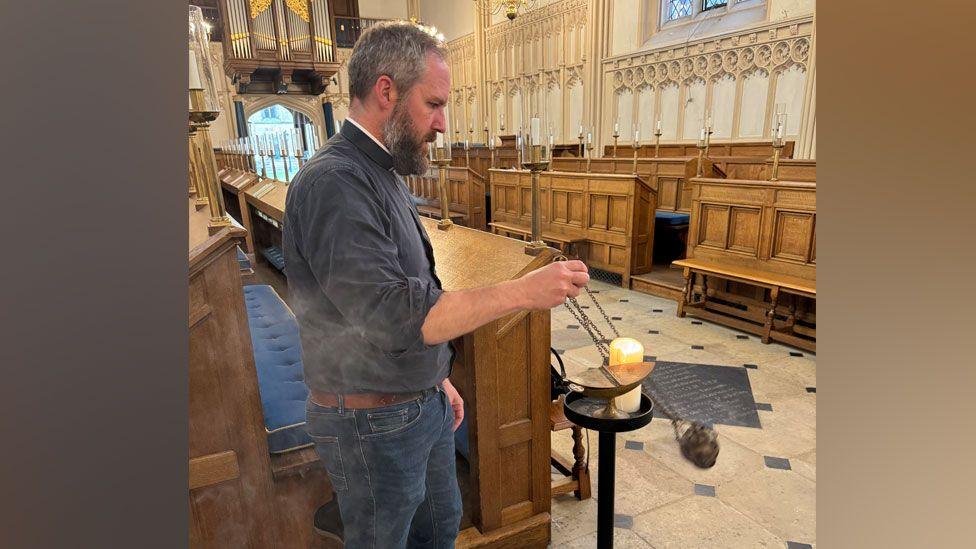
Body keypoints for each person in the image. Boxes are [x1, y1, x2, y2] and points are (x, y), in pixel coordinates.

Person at [283, 21, 589, 549]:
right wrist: (524, 291)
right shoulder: (335, 182)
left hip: (413, 404)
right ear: (386, 91)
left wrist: (434, 378)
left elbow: (411, 284)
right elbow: (397, 314)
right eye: (433, 104)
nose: (443, 123)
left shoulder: (379, 172)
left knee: (439, 533)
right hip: (370, 425)